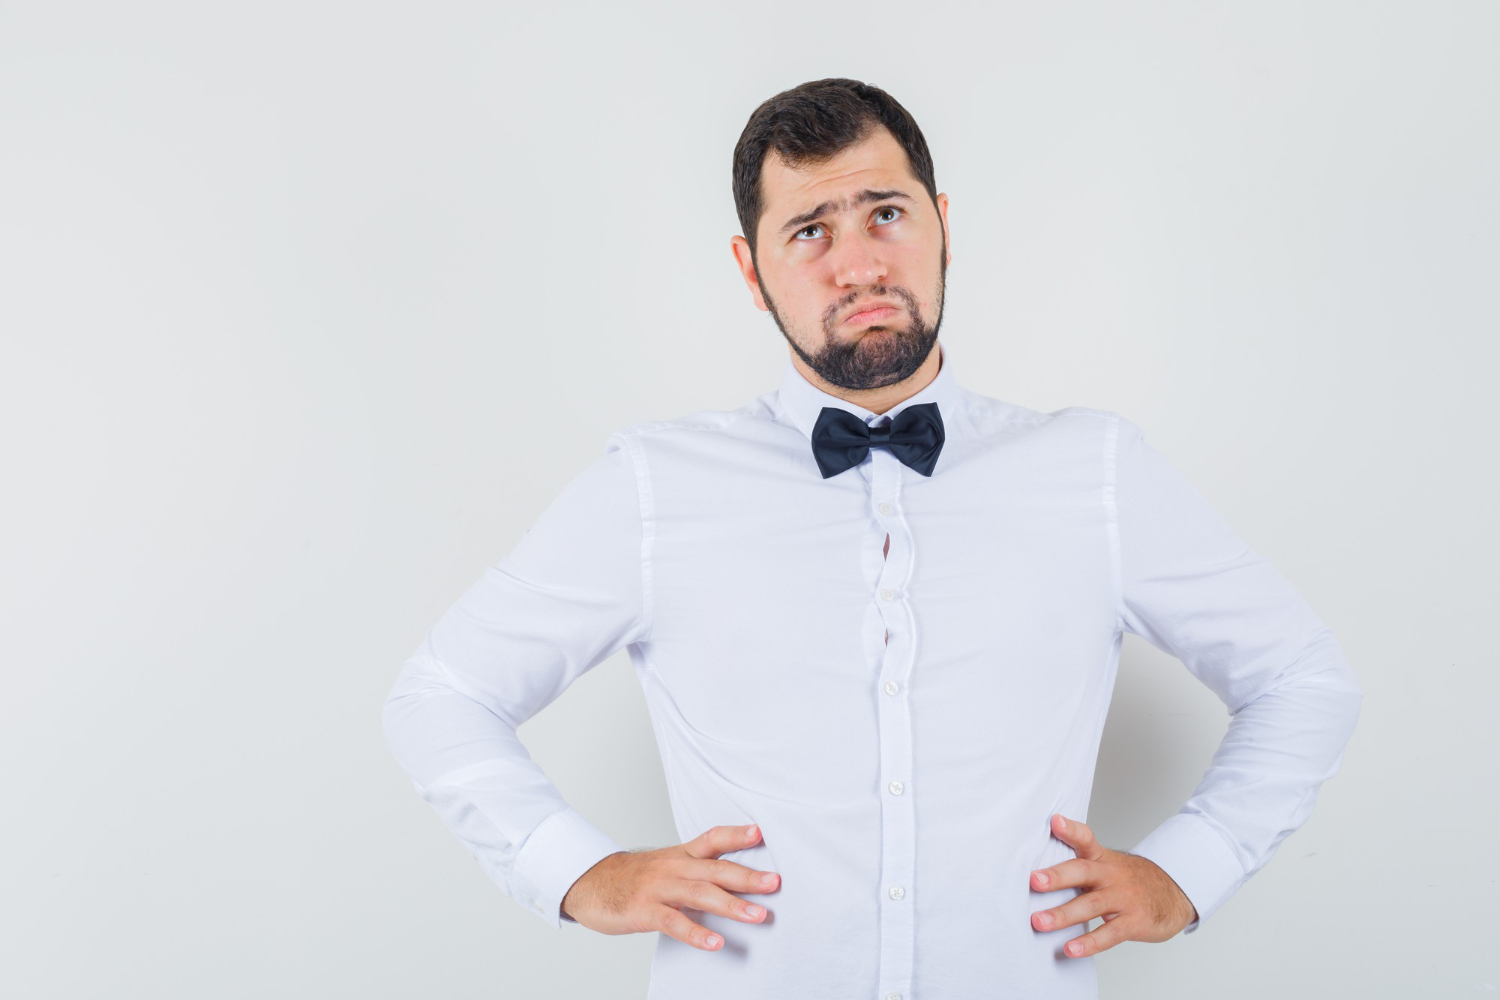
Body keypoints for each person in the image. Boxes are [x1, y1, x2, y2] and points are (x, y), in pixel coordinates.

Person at [382, 77, 1363, 999]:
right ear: (751, 271)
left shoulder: (1096, 469)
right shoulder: (652, 485)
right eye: (809, 230)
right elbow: (443, 695)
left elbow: (1302, 677)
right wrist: (574, 870)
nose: (859, 264)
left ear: (943, 223)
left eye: (885, 213)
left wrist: (1192, 870)